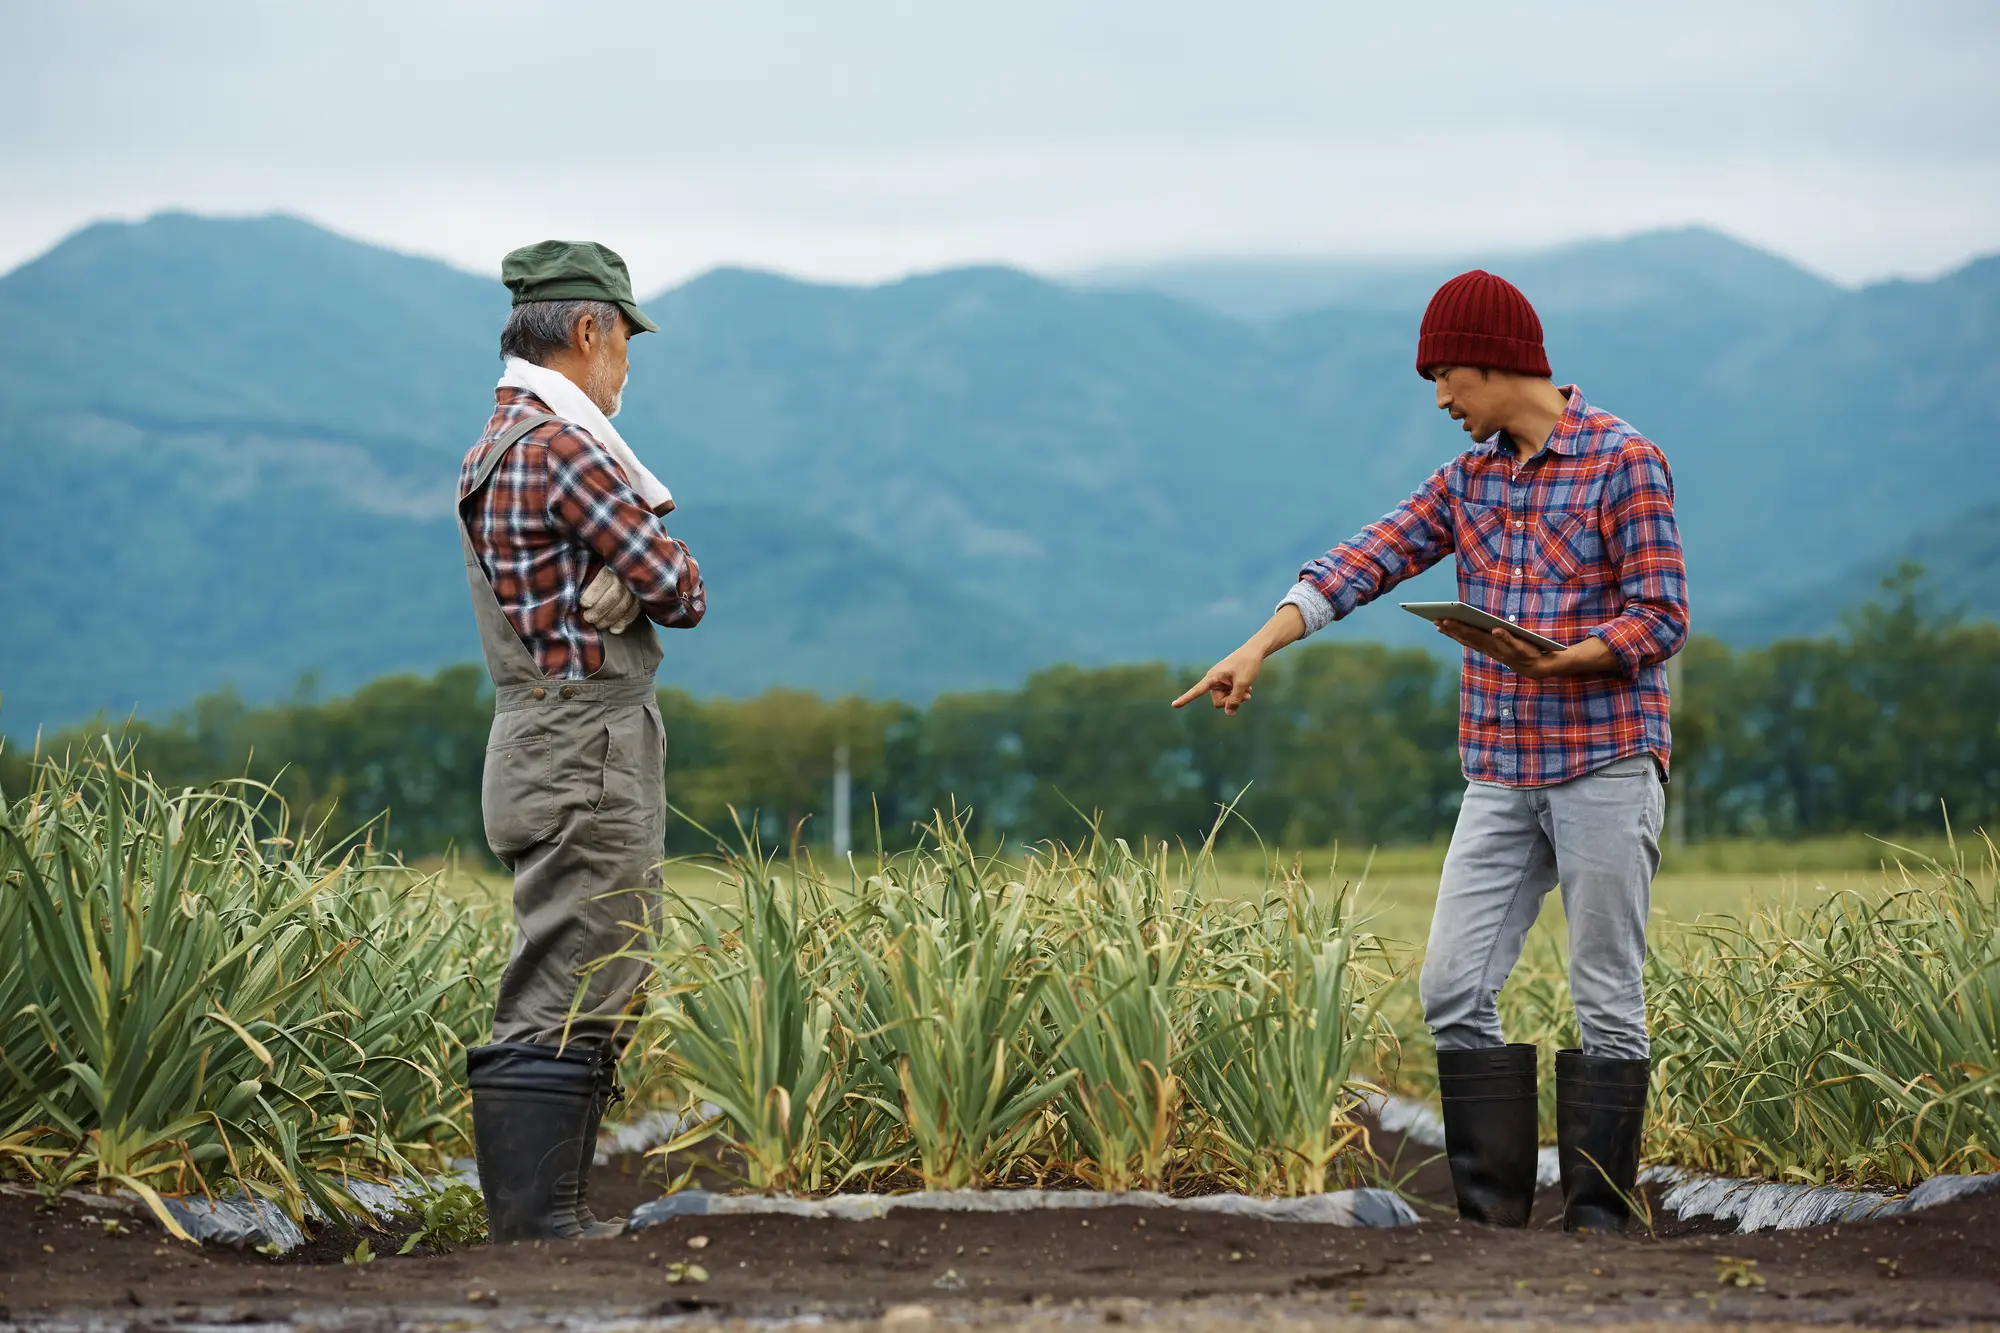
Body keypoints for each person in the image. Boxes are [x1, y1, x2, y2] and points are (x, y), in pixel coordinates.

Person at [1173, 270, 1687, 1232]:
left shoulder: (1625, 462)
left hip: (1606, 762)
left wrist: (1566, 658)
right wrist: (1256, 644)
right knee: (1452, 988)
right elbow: (1360, 561)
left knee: (1605, 993)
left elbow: (1662, 616)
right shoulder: (1468, 482)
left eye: (1447, 377)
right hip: (1499, 773)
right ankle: (1494, 1221)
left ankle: (1600, 1221)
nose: (1442, 401)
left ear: (1499, 366)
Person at [457, 240, 706, 1241]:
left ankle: (547, 1211)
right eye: (624, 344)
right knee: (574, 969)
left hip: (546, 733)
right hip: (583, 742)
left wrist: (624, 575)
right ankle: (538, 1224)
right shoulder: (562, 446)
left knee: (584, 959)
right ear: (591, 330)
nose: (626, 372)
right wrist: (646, 571)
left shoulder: (499, 437)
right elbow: (682, 589)